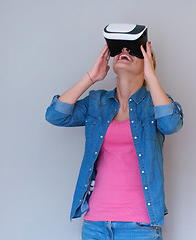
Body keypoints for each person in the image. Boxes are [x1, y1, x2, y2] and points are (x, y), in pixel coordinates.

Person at [45, 41, 183, 240]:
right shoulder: (96, 103)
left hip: (140, 226)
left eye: (134, 50)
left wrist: (151, 77)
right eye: (120, 49)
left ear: (148, 62)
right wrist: (91, 77)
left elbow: (171, 124)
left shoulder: (156, 103)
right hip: (96, 224)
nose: (125, 51)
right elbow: (55, 115)